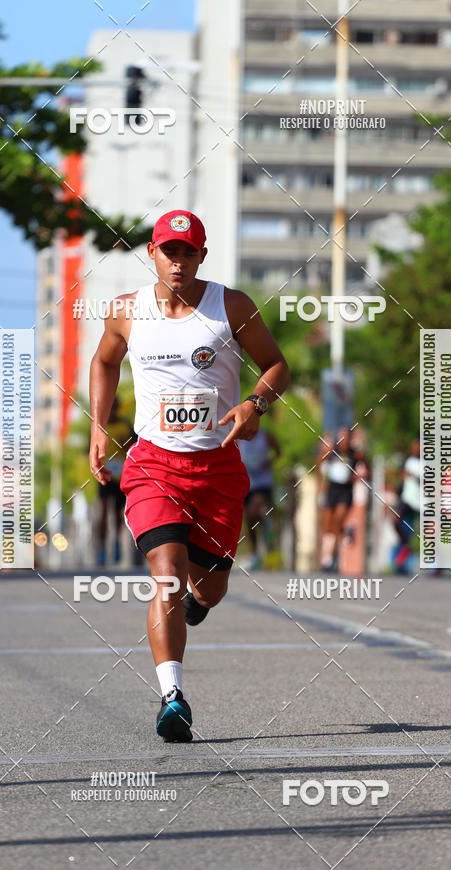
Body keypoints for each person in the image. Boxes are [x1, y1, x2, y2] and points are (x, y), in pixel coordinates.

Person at [89, 209, 290, 742]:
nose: (178, 262)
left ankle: (200, 603)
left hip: (218, 469)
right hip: (153, 465)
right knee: (167, 573)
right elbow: (105, 362)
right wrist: (98, 424)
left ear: (202, 255)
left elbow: (277, 366)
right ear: (152, 253)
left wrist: (254, 404)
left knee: (210, 587)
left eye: (188, 252)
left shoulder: (232, 306)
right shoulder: (126, 311)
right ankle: (172, 696)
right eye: (168, 251)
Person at [95, 398, 136, 566]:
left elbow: (136, 446)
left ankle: (117, 544)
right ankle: (102, 548)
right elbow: (91, 446)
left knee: (118, 513)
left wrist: (124, 445)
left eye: (114, 407)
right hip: (105, 474)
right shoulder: (100, 426)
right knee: (103, 510)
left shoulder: (125, 426)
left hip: (121, 476)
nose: (112, 411)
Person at [317, 427, 358, 572]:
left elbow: (365, 468)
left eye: (346, 437)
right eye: (341, 437)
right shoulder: (333, 451)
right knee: (328, 525)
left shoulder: (355, 454)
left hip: (345, 491)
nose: (344, 440)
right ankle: (346, 532)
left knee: (337, 519)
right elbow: (319, 464)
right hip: (332, 489)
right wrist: (321, 483)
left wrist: (358, 476)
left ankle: (329, 558)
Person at [240, 426, 281, 570]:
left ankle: (270, 551)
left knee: (256, 511)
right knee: (251, 519)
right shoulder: (239, 437)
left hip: (263, 484)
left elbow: (278, 451)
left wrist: (269, 461)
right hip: (247, 484)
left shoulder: (265, 435)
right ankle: (256, 553)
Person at [393, 438, 421, 573]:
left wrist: (415, 476)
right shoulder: (408, 461)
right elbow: (401, 477)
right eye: (414, 447)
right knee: (394, 519)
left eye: (418, 447)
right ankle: (405, 544)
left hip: (422, 501)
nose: (416, 449)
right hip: (407, 499)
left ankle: (438, 563)